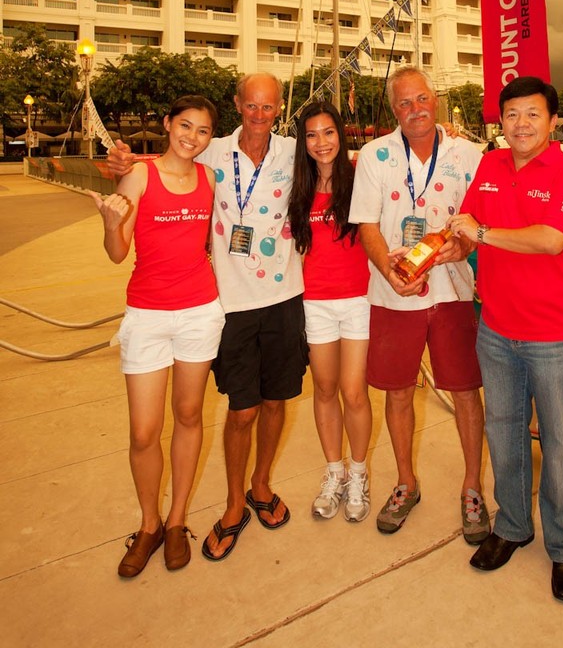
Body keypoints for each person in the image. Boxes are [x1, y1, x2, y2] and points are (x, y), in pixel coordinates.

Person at [107, 73, 307, 563]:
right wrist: (121, 168)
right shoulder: (212, 153)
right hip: (228, 303)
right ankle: (232, 503)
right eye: (251, 106)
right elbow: (157, 171)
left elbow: (337, 162)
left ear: (279, 109)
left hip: (283, 296)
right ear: (238, 105)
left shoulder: (293, 151)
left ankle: (259, 487)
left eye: (269, 107)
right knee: (240, 410)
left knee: (275, 401)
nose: (260, 115)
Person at [449, 75, 563, 604]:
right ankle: (512, 526)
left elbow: (551, 239)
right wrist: (430, 255)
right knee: (503, 432)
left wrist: (482, 235)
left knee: (558, 444)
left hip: (553, 331)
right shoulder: (489, 167)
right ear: (501, 121)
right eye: (512, 114)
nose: (521, 124)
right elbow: (465, 231)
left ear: (552, 121)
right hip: (495, 327)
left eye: (532, 114)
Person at [348, 66, 490, 543]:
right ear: (394, 110)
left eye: (422, 99)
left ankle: (472, 486)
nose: (415, 110)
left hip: (453, 290)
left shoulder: (469, 154)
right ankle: (406, 482)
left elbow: (480, 219)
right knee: (398, 391)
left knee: (467, 390)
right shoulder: (374, 154)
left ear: (436, 100)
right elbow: (366, 223)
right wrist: (387, 270)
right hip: (394, 291)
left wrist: (465, 246)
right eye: (404, 103)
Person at [91, 95, 224, 577]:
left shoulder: (210, 179)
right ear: (168, 125)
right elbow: (116, 251)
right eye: (184, 125)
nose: (192, 136)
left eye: (203, 130)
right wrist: (110, 223)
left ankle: (175, 521)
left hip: (199, 313)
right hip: (147, 314)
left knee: (189, 415)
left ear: (211, 137)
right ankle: (147, 525)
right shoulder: (140, 175)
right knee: (144, 431)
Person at [288, 100, 373, 522]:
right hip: (315, 302)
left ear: (341, 134)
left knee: (353, 391)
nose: (321, 143)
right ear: (303, 142)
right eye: (312, 135)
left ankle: (358, 473)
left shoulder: (360, 178)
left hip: (358, 300)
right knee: (324, 389)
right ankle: (334, 472)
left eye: (329, 132)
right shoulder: (297, 186)